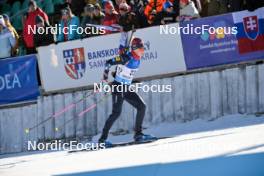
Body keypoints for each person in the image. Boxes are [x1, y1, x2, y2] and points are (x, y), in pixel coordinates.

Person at [98, 33, 156, 145]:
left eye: (143, 47)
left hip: (126, 88)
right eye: (141, 48)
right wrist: (105, 77)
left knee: (142, 107)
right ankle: (102, 140)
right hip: (118, 87)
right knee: (116, 113)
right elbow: (108, 63)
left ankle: (138, 134)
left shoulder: (136, 57)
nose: (143, 50)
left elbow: (121, 70)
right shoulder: (126, 57)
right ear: (135, 48)